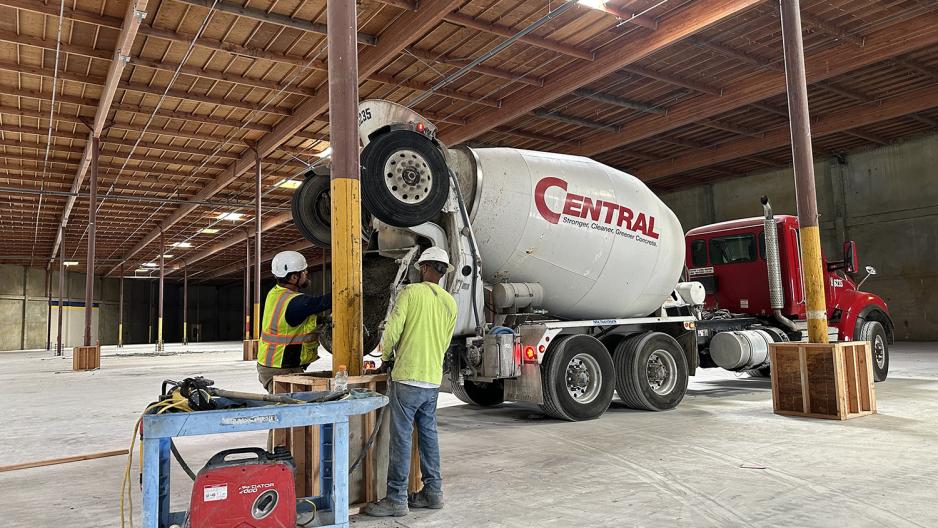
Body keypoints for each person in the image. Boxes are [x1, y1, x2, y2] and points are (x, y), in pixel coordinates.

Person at [362, 247, 457, 518]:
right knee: (429, 436)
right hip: (431, 380)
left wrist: (388, 356)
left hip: (407, 378)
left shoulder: (410, 293)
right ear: (443, 272)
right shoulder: (450, 302)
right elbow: (446, 342)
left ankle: (396, 498)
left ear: (423, 267)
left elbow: (392, 332)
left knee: (401, 438)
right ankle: (433, 493)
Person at [256, 250, 331, 393]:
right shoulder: (294, 302)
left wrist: (321, 320)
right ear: (294, 277)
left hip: (275, 365)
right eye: (304, 271)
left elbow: (295, 320)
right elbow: (323, 302)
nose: (307, 273)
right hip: (280, 369)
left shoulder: (276, 293)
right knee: (290, 411)